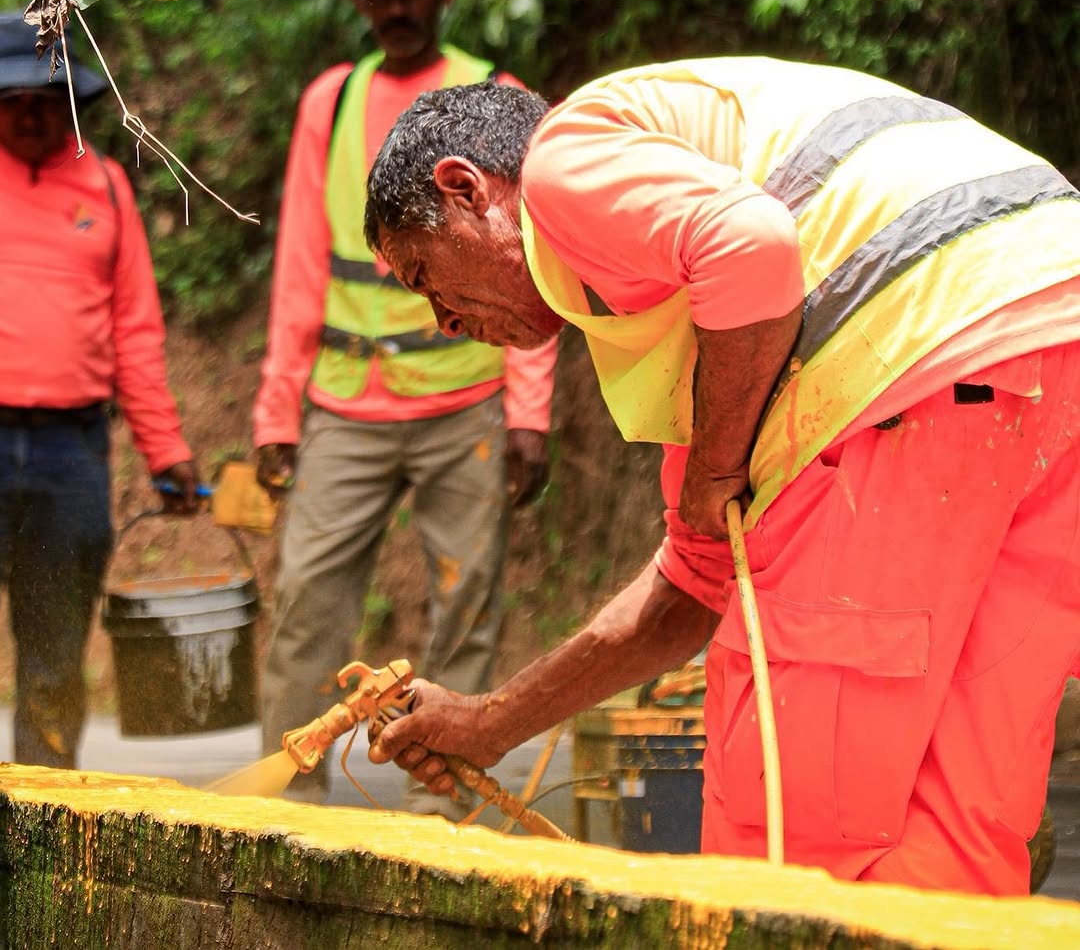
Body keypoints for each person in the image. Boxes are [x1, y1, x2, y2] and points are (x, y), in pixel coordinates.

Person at [362, 56, 1080, 895]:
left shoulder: (560, 166)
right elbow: (694, 578)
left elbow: (750, 245)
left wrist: (716, 465)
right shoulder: (708, 308)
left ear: (466, 188)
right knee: (956, 815)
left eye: (424, 275)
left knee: (789, 825)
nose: (444, 320)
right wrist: (491, 722)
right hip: (1050, 317)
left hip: (924, 348)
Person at [253, 0, 557, 807]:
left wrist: (528, 412)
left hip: (463, 400)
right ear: (360, 1)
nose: (396, 7)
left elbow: (534, 260)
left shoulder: (494, 96)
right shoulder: (332, 101)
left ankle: (442, 809)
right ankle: (288, 802)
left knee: (466, 602)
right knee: (307, 596)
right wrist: (277, 409)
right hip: (346, 400)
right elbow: (299, 263)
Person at [0, 11, 202, 770]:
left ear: (72, 101)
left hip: (71, 454)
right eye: (12, 100)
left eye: (44, 99)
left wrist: (166, 449)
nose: (29, 114)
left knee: (54, 657)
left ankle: (37, 816)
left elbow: (135, 333)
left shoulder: (107, 187)